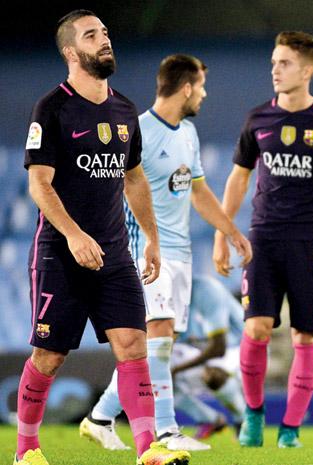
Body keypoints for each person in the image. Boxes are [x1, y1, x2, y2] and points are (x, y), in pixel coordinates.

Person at [17, 9, 190, 465]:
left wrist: (151, 238)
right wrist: (73, 235)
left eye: (106, 32)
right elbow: (39, 183)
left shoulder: (124, 109)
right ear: (72, 52)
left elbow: (134, 178)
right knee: (49, 356)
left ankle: (148, 448)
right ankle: (26, 449)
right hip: (61, 252)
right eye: (92, 35)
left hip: (114, 252)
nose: (105, 40)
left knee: (134, 345)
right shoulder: (52, 108)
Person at [79, 54, 252, 452]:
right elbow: (111, 187)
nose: (204, 95)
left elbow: (198, 191)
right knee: (157, 337)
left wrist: (231, 232)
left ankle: (100, 416)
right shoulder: (138, 130)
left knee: (156, 345)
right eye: (202, 87)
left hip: (181, 254)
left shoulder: (188, 134)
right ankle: (166, 430)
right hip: (143, 250)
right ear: (187, 87)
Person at [212, 31, 313, 448]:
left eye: (285, 63)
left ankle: (290, 429)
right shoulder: (258, 118)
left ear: (307, 70)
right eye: (274, 62)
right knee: (255, 328)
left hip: (311, 239)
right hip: (264, 238)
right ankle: (253, 416)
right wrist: (223, 233)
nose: (275, 69)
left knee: (306, 337)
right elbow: (238, 179)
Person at [171, 275, 246, 440]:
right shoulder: (166, 297)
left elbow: (218, 348)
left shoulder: (207, 290)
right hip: (200, 350)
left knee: (213, 375)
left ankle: (243, 419)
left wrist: (177, 369)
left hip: (237, 347)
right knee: (156, 373)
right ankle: (209, 419)